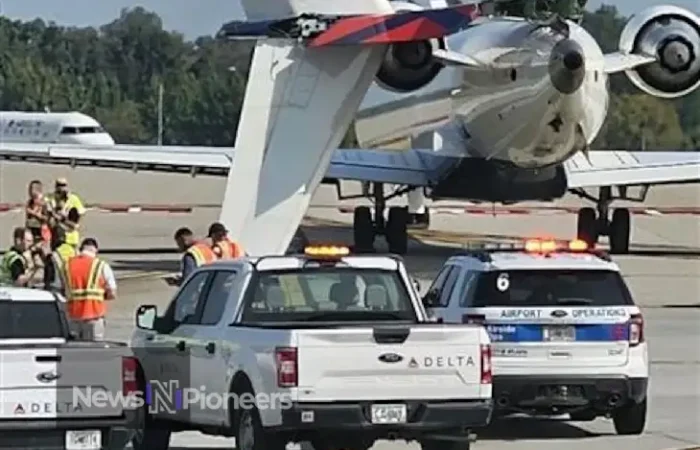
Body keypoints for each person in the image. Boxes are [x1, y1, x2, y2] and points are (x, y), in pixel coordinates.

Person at [64, 238, 116, 340]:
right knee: (94, 351)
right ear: (95, 250)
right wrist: (103, 295)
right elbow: (112, 293)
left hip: (73, 316)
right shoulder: (101, 265)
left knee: (75, 351)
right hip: (94, 316)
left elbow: (61, 289)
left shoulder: (67, 265)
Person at [46, 177, 86, 249]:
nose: (61, 188)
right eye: (59, 185)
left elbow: (80, 214)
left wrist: (69, 221)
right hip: (56, 237)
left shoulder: (73, 199)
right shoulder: (51, 198)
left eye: (63, 185)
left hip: (71, 239)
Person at [44, 227, 77, 295]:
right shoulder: (76, 253)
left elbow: (48, 281)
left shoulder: (52, 257)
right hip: (73, 294)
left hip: (57, 294)